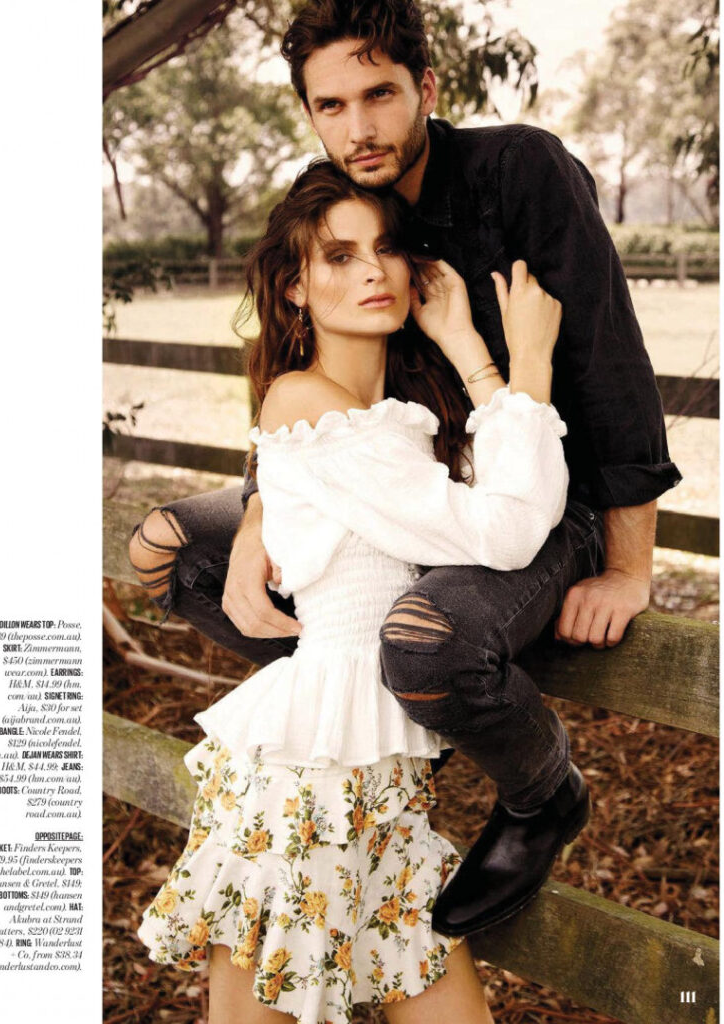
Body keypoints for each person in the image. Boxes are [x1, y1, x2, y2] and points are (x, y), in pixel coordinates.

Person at [129, 0, 680, 939]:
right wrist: (262, 509)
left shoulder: (521, 172)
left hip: (539, 502)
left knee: (426, 638)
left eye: (378, 95)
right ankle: (387, 708)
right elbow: (290, 365)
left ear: (425, 88)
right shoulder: (333, 191)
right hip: (395, 490)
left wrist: (627, 568)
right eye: (331, 105)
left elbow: (610, 367)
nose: (358, 128)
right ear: (309, 111)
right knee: (171, 551)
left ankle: (540, 791)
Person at [137, 158, 573, 1023]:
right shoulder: (307, 402)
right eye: (339, 256)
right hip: (304, 785)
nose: (373, 270)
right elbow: (509, 530)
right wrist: (523, 359)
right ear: (294, 288)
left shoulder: (389, 418)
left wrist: (464, 350)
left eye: (385, 248)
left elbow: (504, 509)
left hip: (379, 791)